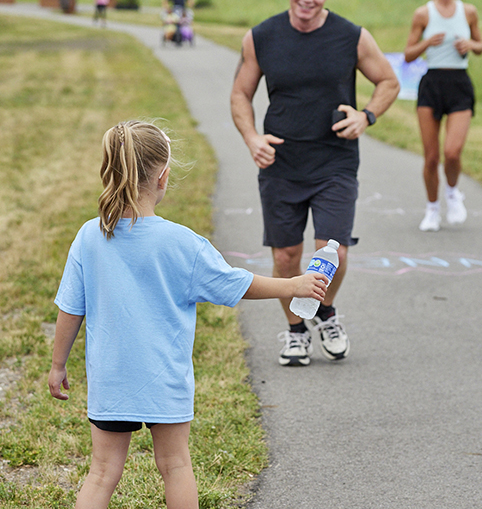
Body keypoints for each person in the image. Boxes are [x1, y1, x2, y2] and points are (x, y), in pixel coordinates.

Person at [47, 120, 327, 509]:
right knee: (176, 466)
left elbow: (69, 308)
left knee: (101, 473)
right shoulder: (181, 242)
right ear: (162, 177)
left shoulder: (89, 236)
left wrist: (58, 364)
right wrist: (293, 285)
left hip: (111, 378)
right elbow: (236, 283)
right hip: (164, 377)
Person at [230, 0, 400, 367]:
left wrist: (367, 115)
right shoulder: (261, 37)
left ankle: (323, 311)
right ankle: (295, 333)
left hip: (334, 163)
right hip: (281, 163)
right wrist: (252, 138)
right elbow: (240, 95)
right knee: (286, 257)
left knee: (333, 252)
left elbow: (389, 81)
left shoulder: (352, 37)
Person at [403, 0, 482, 232]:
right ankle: (432, 209)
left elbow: (481, 44)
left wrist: (470, 46)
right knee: (431, 157)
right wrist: (427, 42)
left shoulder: (468, 11)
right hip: (432, 84)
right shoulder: (423, 13)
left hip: (459, 84)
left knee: (452, 152)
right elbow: (408, 54)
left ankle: (452, 193)